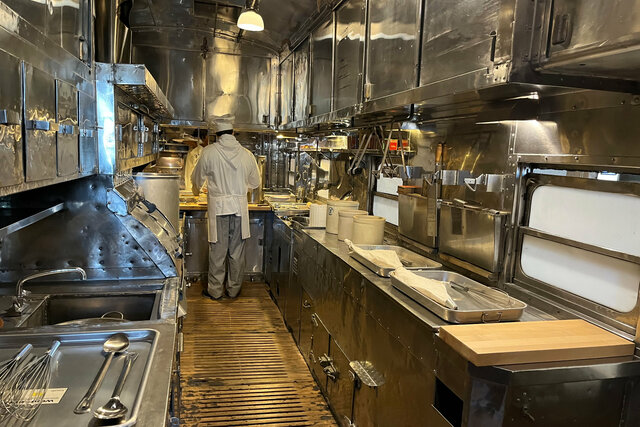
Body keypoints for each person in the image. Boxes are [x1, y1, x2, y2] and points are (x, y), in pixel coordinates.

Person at [191, 121, 261, 299]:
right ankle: (234, 290)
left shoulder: (208, 152)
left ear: (217, 134)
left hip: (218, 208)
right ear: (233, 133)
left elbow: (197, 178)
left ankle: (215, 291)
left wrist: (196, 190)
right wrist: (240, 186)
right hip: (239, 207)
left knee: (217, 250)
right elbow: (255, 183)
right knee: (237, 251)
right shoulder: (247, 154)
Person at [183, 129, 208, 194]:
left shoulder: (196, 150)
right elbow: (199, 172)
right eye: (208, 137)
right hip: (197, 189)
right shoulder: (200, 151)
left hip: (192, 187)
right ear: (203, 138)